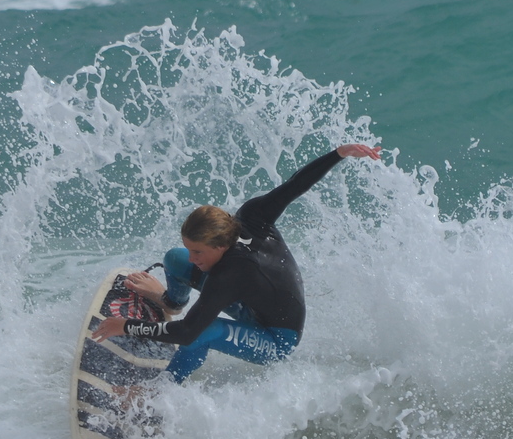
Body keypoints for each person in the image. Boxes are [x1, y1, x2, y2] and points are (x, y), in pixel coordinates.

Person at [90, 143, 382, 381]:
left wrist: (126, 326)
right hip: (249, 303)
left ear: (220, 246)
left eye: (199, 252)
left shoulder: (231, 272)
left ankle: (161, 391)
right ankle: (170, 303)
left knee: (202, 332)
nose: (193, 258)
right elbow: (296, 185)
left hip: (275, 338)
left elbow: (188, 332)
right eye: (191, 248)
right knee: (174, 260)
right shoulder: (251, 217)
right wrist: (339, 153)